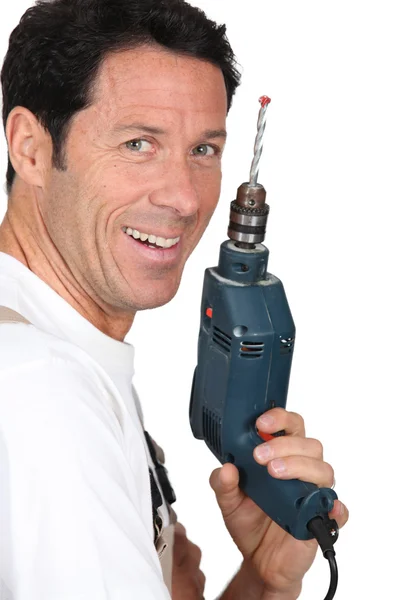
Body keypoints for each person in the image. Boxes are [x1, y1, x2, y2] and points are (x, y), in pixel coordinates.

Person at [0, 0, 349, 598]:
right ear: (31, 148)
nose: (185, 199)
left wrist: (264, 582)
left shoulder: (65, 358)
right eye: (139, 144)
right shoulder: (40, 388)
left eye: (204, 150)